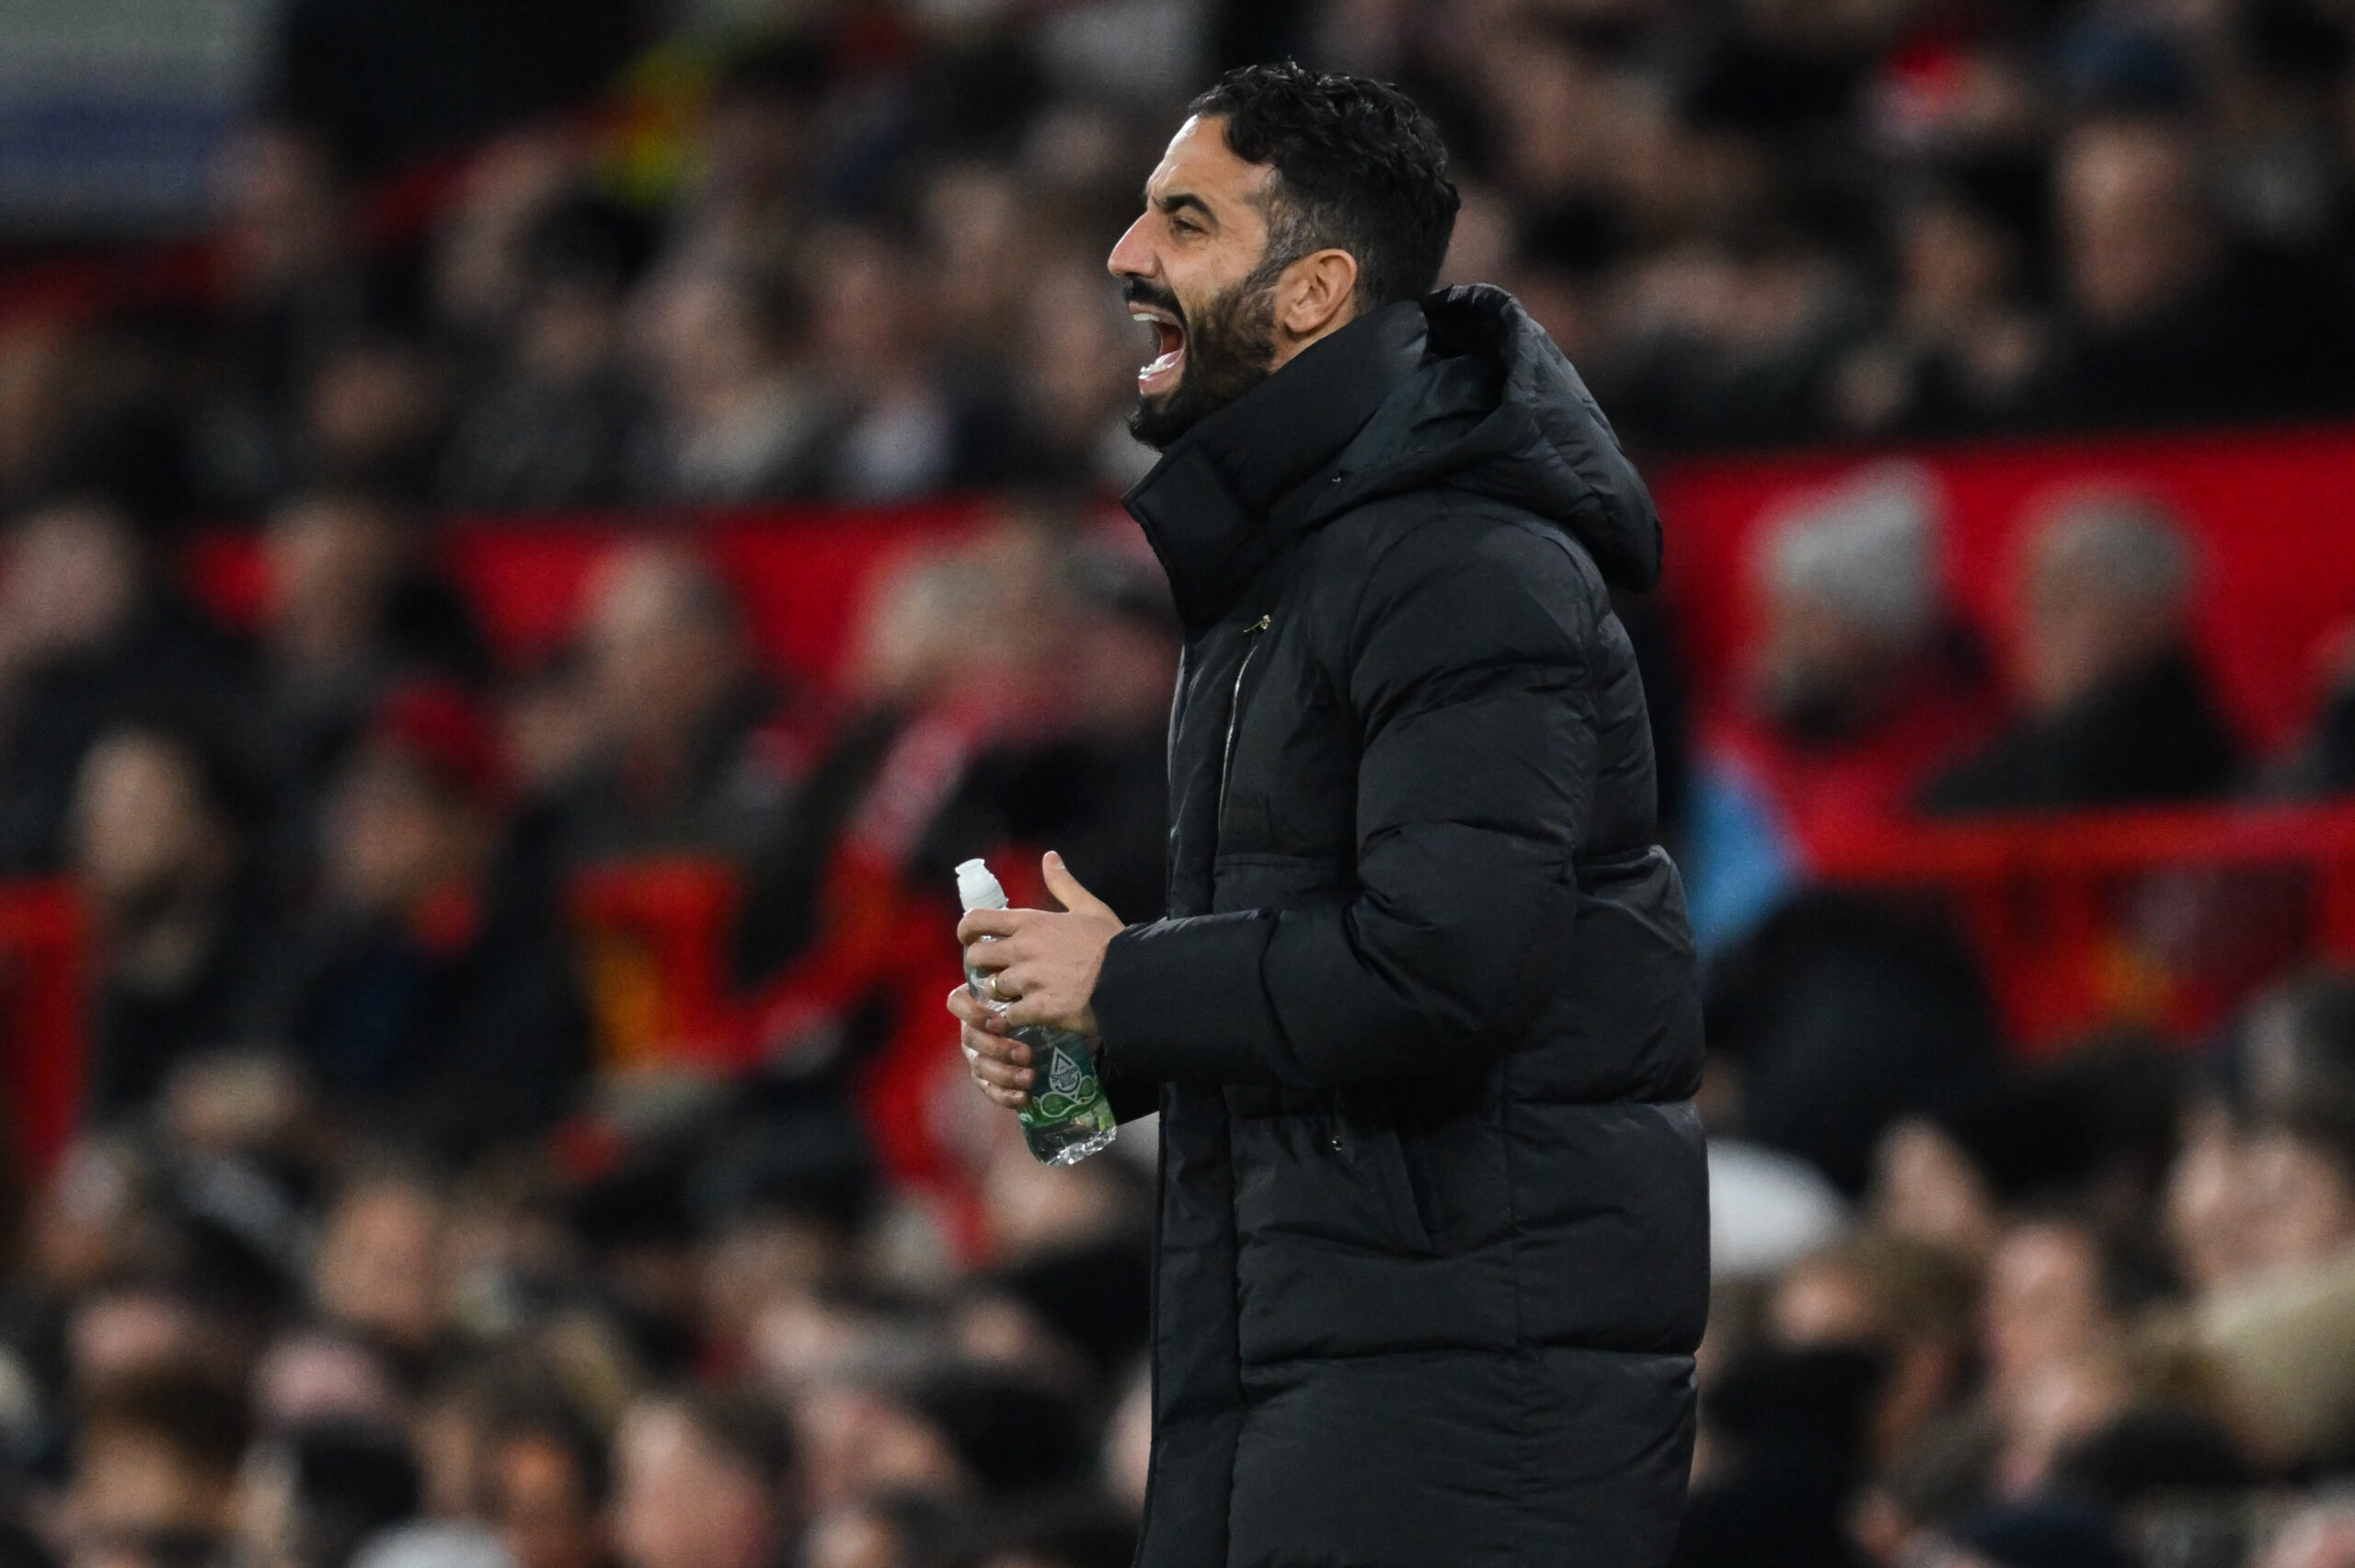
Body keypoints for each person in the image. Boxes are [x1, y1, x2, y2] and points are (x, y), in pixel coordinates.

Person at [949, 63, 1706, 1568]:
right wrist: (1114, 1031)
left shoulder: (1461, 567)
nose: (1122, 255)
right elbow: (1351, 959)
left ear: (1311, 294)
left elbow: (1451, 968)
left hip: (1460, 1385)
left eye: (1183, 219)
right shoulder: (1297, 576)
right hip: (1322, 1347)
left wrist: (1138, 982)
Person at [1923, 490, 2240, 814]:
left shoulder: (2170, 765)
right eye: (2026, 600)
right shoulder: (2007, 763)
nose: (2024, 628)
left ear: (2148, 619)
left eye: (2060, 602)